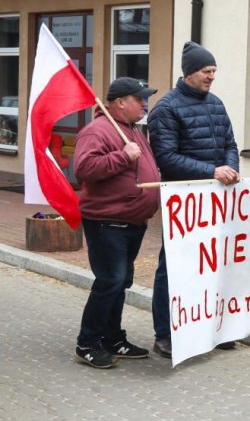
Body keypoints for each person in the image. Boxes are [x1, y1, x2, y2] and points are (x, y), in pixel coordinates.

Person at [147, 42, 240, 359]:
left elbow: (230, 144)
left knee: (212, 263)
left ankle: (211, 327)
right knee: (173, 267)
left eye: (214, 71)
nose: (212, 76)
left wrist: (231, 170)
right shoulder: (166, 109)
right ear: (189, 73)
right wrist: (213, 171)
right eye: (207, 71)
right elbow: (167, 158)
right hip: (183, 203)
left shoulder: (216, 104)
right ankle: (165, 333)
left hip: (214, 201)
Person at [73, 77, 160, 368]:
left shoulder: (133, 130)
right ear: (120, 102)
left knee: (120, 282)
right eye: (140, 99)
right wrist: (122, 157)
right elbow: (83, 169)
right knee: (110, 281)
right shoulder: (97, 130)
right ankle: (87, 343)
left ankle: (112, 338)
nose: (145, 103)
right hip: (107, 220)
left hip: (131, 220)